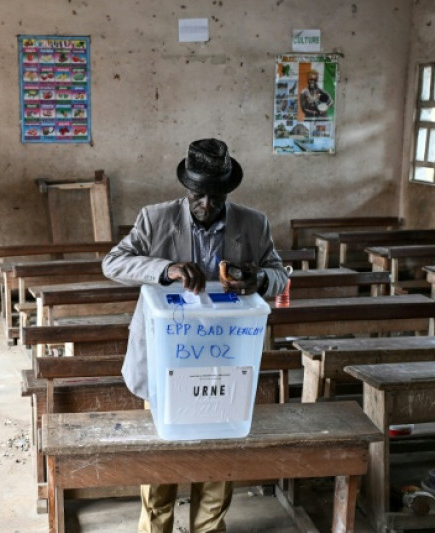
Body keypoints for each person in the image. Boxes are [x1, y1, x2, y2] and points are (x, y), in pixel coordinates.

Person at [102, 138, 287, 533]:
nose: (206, 205)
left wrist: (258, 279)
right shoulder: (155, 219)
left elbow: (280, 274)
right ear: (187, 188)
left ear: (229, 191)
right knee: (162, 460)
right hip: (166, 357)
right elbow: (113, 262)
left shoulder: (253, 223)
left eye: (216, 197)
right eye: (198, 195)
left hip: (224, 358)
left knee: (217, 458)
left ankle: (208, 528)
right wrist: (166, 268)